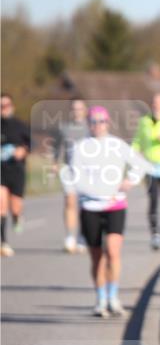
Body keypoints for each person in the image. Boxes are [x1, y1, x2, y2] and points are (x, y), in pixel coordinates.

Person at [63, 106, 155, 317]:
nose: (98, 125)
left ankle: (113, 297)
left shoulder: (117, 144)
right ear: (88, 124)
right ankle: (101, 298)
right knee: (97, 257)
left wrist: (130, 181)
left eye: (101, 121)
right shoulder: (80, 147)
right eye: (93, 122)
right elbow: (74, 177)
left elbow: (140, 165)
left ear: (108, 123)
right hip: (90, 207)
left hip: (115, 205)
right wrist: (94, 193)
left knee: (113, 252)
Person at [132, 93, 160, 250]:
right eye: (155, 103)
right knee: (153, 200)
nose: (157, 106)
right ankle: (155, 233)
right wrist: (133, 153)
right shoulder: (144, 121)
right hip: (150, 167)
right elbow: (137, 140)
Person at [50, 99, 90, 253]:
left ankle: (82, 236)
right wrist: (55, 163)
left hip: (87, 171)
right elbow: (57, 147)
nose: (77, 111)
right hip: (69, 169)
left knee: (85, 205)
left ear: (85, 110)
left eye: (80, 108)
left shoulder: (91, 127)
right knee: (70, 202)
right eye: (74, 108)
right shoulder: (64, 128)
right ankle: (70, 237)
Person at [1, 94, 31, 257]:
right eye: (1, 106)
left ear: (12, 106)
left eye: (6, 105)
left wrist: (23, 150)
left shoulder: (20, 126)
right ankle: (3, 243)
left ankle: (17, 217)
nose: (4, 109)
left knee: (15, 207)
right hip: (1, 171)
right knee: (1, 205)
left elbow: (31, 143)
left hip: (17, 170)